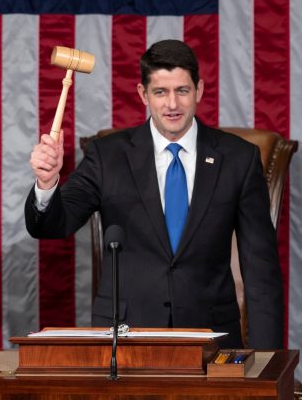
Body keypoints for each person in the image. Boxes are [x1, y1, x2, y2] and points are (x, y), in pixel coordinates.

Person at [25, 39, 283, 349]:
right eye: (160, 92)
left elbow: (261, 271)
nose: (172, 105)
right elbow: (53, 225)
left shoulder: (238, 159)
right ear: (143, 94)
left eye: (182, 91)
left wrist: (269, 364)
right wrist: (47, 183)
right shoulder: (108, 156)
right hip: (126, 340)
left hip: (212, 339)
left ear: (199, 90)